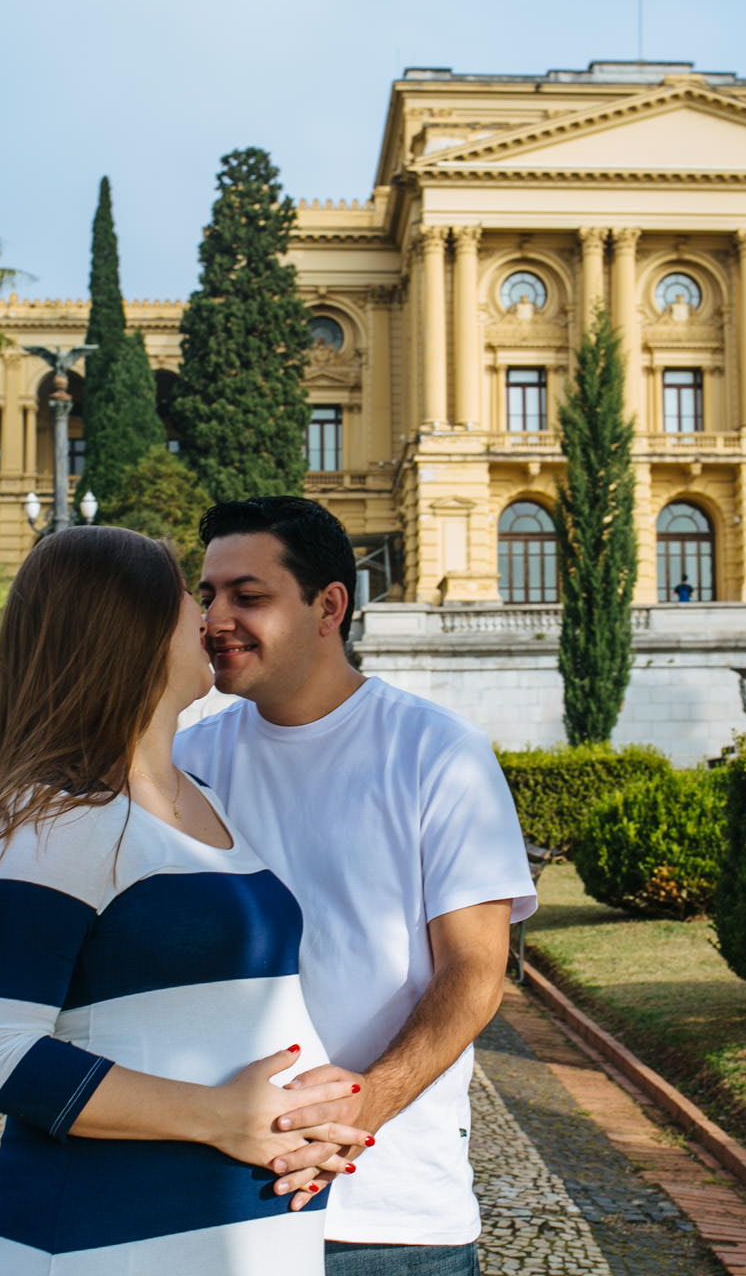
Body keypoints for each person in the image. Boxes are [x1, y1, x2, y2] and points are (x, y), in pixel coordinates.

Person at [0, 526, 371, 1275]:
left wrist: (315, 1118)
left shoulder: (203, 797)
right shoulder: (57, 819)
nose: (209, 619)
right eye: (189, 597)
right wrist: (221, 1117)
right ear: (130, 629)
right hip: (106, 1238)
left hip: (241, 1234)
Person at [175, 497, 537, 1276]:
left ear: (329, 606)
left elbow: (475, 972)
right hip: (207, 1202)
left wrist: (358, 1111)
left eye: (249, 595)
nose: (215, 619)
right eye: (207, 595)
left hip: (388, 1217)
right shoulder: (183, 763)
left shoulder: (438, 755)